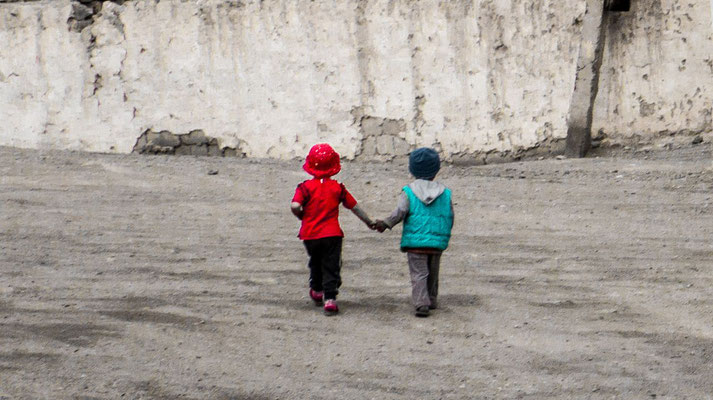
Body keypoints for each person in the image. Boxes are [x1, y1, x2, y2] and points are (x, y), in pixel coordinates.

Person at [291, 143, 375, 316]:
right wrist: (369, 222)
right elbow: (354, 207)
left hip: (310, 234)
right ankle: (330, 298)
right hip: (332, 234)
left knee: (315, 261)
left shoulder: (304, 188)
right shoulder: (338, 188)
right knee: (331, 265)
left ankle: (316, 289)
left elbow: (295, 205)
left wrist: (301, 215)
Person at [374, 147, 454, 317]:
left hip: (415, 242)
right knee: (433, 272)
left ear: (412, 170)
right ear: (437, 169)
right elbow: (450, 215)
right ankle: (431, 299)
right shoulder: (445, 193)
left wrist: (386, 223)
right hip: (437, 242)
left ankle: (421, 303)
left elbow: (400, 212)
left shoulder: (409, 192)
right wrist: (444, 235)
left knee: (419, 273)